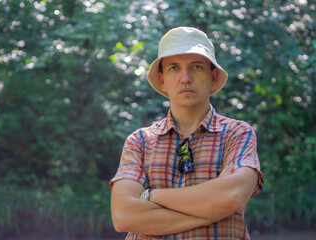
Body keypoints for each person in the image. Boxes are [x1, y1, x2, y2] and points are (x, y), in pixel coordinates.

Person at [109, 26, 264, 240]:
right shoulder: (140, 141)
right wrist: (212, 211)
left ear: (213, 75)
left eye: (196, 67)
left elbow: (231, 197)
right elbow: (123, 216)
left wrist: (150, 196)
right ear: (162, 80)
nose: (185, 78)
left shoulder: (237, 134)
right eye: (174, 68)